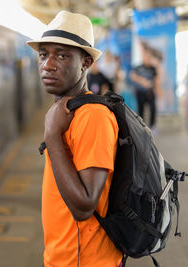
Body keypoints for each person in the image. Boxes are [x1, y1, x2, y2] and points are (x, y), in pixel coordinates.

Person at [27, 11, 122, 266]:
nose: (48, 64)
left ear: (86, 62)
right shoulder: (68, 112)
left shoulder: (93, 116)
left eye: (62, 55)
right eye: (43, 54)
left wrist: (52, 136)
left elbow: (84, 206)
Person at [129, 41, 160, 129]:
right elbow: (132, 76)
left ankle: (153, 126)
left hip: (150, 92)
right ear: (143, 57)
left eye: (149, 57)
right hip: (140, 92)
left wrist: (156, 89)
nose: (148, 58)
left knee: (153, 109)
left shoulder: (153, 68)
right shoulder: (138, 67)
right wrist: (143, 81)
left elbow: (156, 79)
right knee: (141, 110)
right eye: (146, 56)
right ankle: (141, 127)